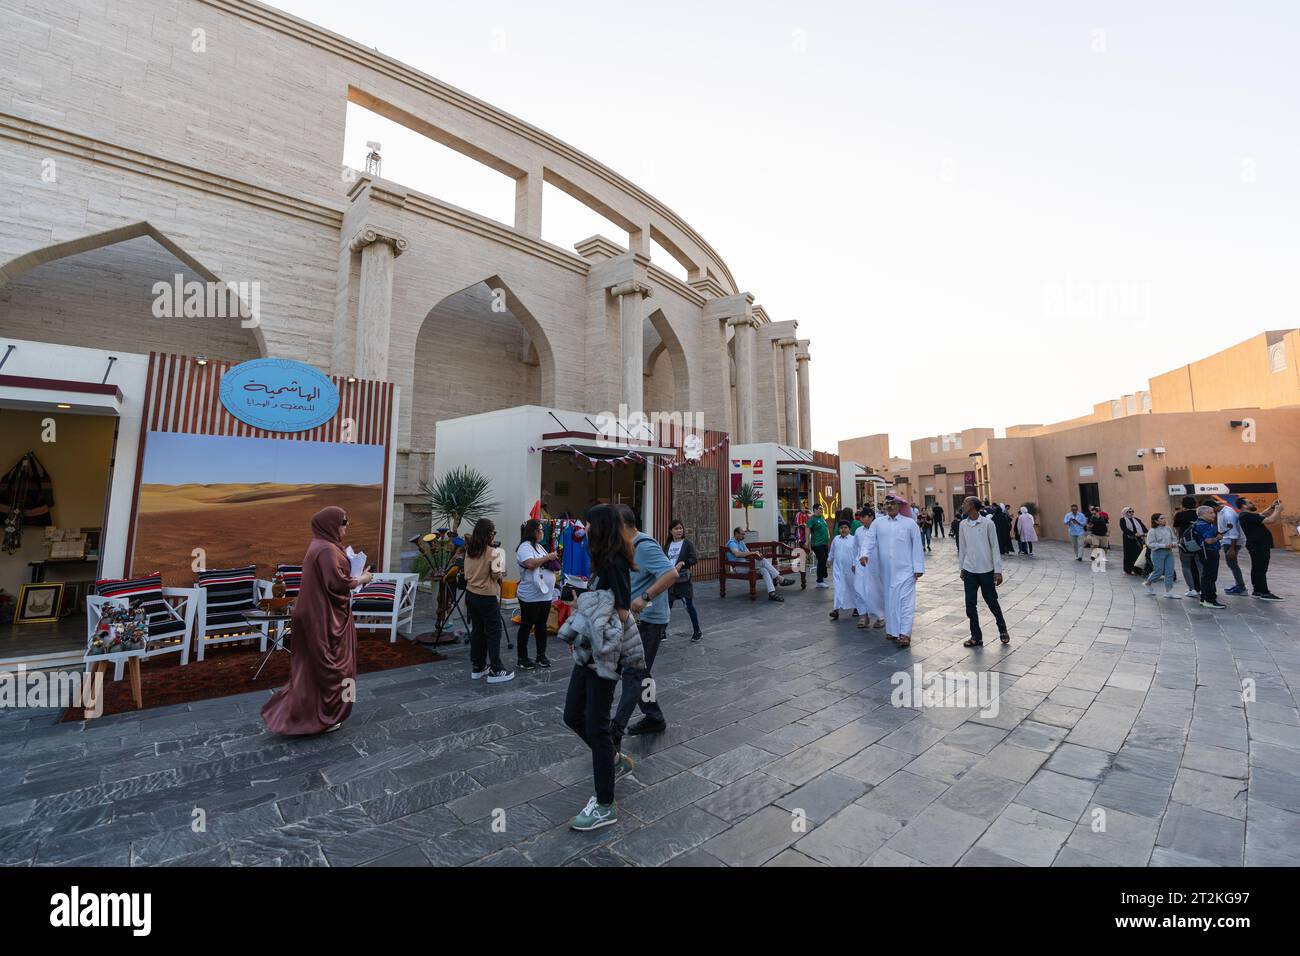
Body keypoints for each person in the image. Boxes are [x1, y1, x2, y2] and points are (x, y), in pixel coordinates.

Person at [262, 506, 372, 735]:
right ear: (330, 524)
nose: (346, 526)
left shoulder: (323, 546)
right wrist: (363, 577)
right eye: (343, 521)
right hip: (323, 618)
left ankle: (305, 713)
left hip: (320, 615)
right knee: (332, 667)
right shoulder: (326, 550)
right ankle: (325, 716)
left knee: (313, 668)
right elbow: (338, 583)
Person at [562, 504, 637, 831]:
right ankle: (613, 761)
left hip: (605, 655)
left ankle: (605, 804)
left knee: (596, 725)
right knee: (572, 714)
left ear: (601, 528)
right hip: (588, 651)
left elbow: (621, 613)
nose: (585, 530)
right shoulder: (600, 563)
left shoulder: (615, 564)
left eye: (589, 525)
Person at [611, 505, 678, 745]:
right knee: (640, 672)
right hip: (634, 620)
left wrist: (645, 597)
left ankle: (614, 730)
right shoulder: (624, 547)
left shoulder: (645, 546)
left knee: (633, 672)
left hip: (649, 620)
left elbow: (671, 574)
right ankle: (654, 716)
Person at [861, 496, 924, 647]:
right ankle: (893, 630)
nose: (889, 506)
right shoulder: (878, 523)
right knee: (890, 600)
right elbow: (869, 540)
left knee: (906, 603)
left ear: (900, 505)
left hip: (907, 570)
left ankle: (905, 634)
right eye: (887, 504)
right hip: (887, 571)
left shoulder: (909, 524)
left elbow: (917, 545)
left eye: (893, 503)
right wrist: (864, 554)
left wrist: (918, 568)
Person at [462, 518, 514, 684]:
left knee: (477, 630)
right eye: (493, 532)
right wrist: (502, 572)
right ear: (489, 533)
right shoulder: (494, 552)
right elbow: (496, 575)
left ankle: (478, 667)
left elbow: (466, 573)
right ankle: (496, 669)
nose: (494, 535)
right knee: (493, 631)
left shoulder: (469, 549)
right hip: (487, 596)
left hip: (471, 594)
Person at [956, 496, 1009, 647]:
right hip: (969, 569)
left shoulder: (988, 523)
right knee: (970, 603)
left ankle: (1002, 628)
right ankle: (976, 636)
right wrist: (962, 568)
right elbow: (962, 548)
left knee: (991, 601)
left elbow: (995, 547)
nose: (963, 505)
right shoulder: (963, 525)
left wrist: (997, 571)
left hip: (986, 569)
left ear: (973, 505)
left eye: (965, 502)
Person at [515, 518, 559, 670]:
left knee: (541, 625)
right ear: (533, 532)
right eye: (540, 530)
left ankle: (541, 655)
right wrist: (548, 557)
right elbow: (530, 563)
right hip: (530, 596)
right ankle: (522, 657)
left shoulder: (539, 547)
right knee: (527, 625)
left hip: (544, 594)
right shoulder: (524, 547)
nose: (542, 532)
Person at [726, 527, 792, 601]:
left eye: (744, 534)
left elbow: (748, 553)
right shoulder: (732, 543)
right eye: (742, 534)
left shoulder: (741, 542)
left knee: (764, 570)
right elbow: (737, 554)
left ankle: (772, 593)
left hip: (747, 564)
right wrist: (753, 553)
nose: (743, 536)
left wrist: (756, 554)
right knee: (763, 561)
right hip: (739, 567)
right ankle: (780, 578)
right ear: (736, 534)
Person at [664, 519, 704, 639]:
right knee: (667, 607)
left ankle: (697, 631)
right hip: (670, 580)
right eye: (676, 528)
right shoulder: (667, 545)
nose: (679, 531)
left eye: (680, 528)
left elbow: (694, 559)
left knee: (689, 606)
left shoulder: (687, 544)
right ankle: (662, 632)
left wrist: (682, 562)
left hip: (683, 581)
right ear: (671, 531)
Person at [1238, 499, 1283, 600]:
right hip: (1259, 545)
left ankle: (1257, 591)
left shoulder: (1247, 516)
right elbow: (1271, 520)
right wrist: (1278, 510)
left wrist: (1271, 507)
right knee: (1261, 569)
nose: (1252, 503)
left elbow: (1262, 514)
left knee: (1257, 568)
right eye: (1249, 502)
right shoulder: (1246, 516)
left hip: (1257, 545)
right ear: (1243, 506)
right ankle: (1264, 592)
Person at [854, 507, 884, 629]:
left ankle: (880, 617)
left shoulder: (879, 530)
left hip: (875, 565)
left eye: (863, 517)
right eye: (860, 517)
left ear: (871, 516)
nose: (860, 519)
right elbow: (855, 548)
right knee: (859, 588)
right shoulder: (858, 531)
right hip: (861, 564)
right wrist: (853, 562)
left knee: (875, 590)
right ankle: (864, 616)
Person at [1193, 505, 1225, 609]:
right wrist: (1218, 538)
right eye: (1211, 513)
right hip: (1209, 552)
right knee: (1210, 576)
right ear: (1203, 514)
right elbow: (1208, 541)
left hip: (1205, 552)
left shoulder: (1200, 523)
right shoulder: (1204, 525)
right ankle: (1209, 599)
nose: (1214, 515)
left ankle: (1204, 598)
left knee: (1206, 576)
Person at [1141, 513, 1180, 598]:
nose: (1164, 520)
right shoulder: (1152, 531)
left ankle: (1168, 592)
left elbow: (1174, 538)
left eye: (1164, 518)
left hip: (1169, 552)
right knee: (1158, 572)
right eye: (1161, 518)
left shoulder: (1168, 529)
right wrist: (1164, 545)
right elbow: (1150, 544)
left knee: (1169, 572)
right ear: (1156, 521)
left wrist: (1173, 544)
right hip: (1157, 553)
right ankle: (1148, 583)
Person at [1217, 498, 1248, 596]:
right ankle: (1239, 585)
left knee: (1233, 564)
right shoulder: (1222, 511)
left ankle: (1241, 587)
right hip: (1227, 541)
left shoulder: (1228, 514)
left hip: (1231, 542)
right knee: (1232, 564)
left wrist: (1232, 548)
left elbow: (1234, 532)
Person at [1172, 495, 1201, 598]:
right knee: (1200, 566)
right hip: (1198, 543)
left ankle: (1192, 589)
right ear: (1195, 504)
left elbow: (1177, 529)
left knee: (1186, 566)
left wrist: (1181, 537)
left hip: (1184, 544)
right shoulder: (1199, 514)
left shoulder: (1179, 515)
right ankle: (1203, 588)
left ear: (1183, 504)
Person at [828, 520, 856, 620]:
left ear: (849, 529)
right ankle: (836, 609)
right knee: (838, 588)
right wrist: (829, 559)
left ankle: (856, 607)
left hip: (850, 569)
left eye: (845, 528)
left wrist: (855, 564)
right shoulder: (836, 539)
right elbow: (832, 551)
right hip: (838, 568)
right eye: (841, 528)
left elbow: (856, 553)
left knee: (851, 587)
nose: (843, 530)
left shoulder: (853, 539)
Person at [1119, 507, 1148, 575]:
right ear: (1125, 512)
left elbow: (1143, 527)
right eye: (1129, 512)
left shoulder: (1136, 520)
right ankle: (1128, 570)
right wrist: (1133, 534)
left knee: (1138, 554)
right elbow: (1124, 529)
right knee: (1128, 554)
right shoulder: (1123, 520)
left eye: (1132, 511)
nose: (1131, 513)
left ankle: (1138, 570)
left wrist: (1145, 532)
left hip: (1138, 539)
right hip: (1128, 539)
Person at [808, 508, 831, 589]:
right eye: (819, 509)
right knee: (822, 560)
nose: (821, 510)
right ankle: (819, 581)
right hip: (817, 544)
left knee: (824, 560)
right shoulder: (812, 519)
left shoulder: (822, 518)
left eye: (821, 509)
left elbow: (825, 529)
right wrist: (808, 543)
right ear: (814, 510)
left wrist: (828, 538)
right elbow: (807, 529)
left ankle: (823, 576)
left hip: (824, 543)